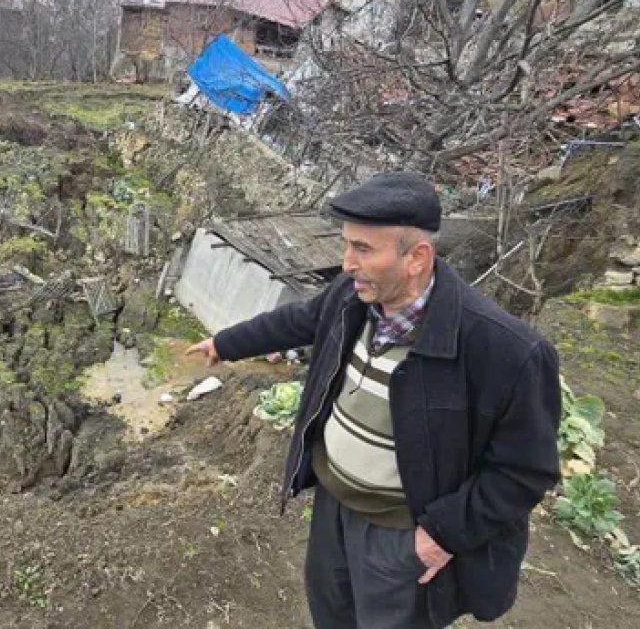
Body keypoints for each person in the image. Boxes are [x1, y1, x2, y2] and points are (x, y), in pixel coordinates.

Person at [186, 172, 562, 628]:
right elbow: (299, 320)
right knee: (331, 613)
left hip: (399, 535)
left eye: (363, 249)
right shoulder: (353, 298)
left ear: (417, 258)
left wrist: (442, 535)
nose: (346, 263)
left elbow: (524, 471)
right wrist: (225, 343)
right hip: (333, 508)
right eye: (346, 244)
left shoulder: (505, 350)